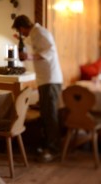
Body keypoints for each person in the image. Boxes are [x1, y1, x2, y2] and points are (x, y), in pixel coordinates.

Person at [12, 15, 63, 162]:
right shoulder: (35, 33)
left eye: (20, 31)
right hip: (46, 80)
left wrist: (29, 57)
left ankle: (54, 149)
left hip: (50, 80)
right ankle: (49, 146)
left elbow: (51, 51)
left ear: (22, 27)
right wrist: (20, 39)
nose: (22, 34)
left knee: (50, 114)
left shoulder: (40, 32)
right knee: (46, 114)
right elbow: (36, 44)